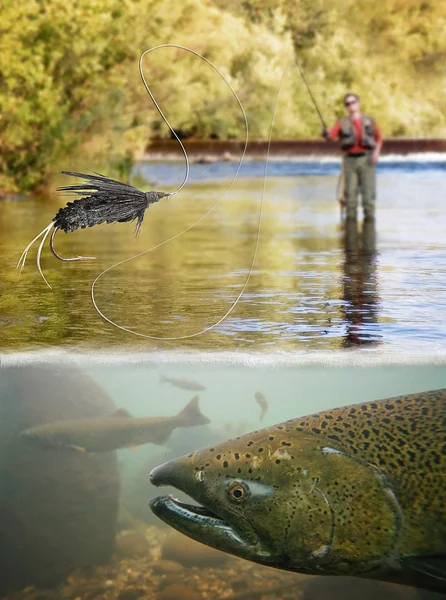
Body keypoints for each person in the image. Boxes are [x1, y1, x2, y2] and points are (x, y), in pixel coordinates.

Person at [322, 93, 383, 220]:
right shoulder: (341, 123)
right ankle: (350, 235)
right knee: (350, 199)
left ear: (358, 103)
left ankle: (369, 235)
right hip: (349, 161)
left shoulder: (369, 120)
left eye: (353, 102)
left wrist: (376, 153)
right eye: (347, 104)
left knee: (368, 198)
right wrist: (326, 134)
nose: (351, 105)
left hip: (367, 160)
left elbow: (379, 138)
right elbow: (331, 136)